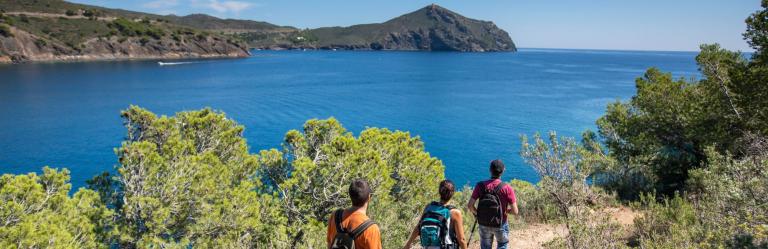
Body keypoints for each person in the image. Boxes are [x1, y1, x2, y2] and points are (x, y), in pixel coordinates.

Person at [467, 159, 518, 249]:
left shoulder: (480, 186)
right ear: (503, 171)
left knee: (485, 247)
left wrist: (477, 214)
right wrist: (506, 211)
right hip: (500, 223)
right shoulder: (507, 188)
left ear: (490, 170)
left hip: (483, 223)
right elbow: (515, 211)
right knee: (502, 244)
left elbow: (470, 205)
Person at [402, 180, 467, 249]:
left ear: (439, 192)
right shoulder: (454, 213)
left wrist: (408, 245)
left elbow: (418, 227)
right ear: (453, 193)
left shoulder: (428, 207)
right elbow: (462, 239)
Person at [327, 179, 382, 249]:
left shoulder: (335, 216)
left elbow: (329, 244)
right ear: (369, 197)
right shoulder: (371, 229)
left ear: (350, 195)